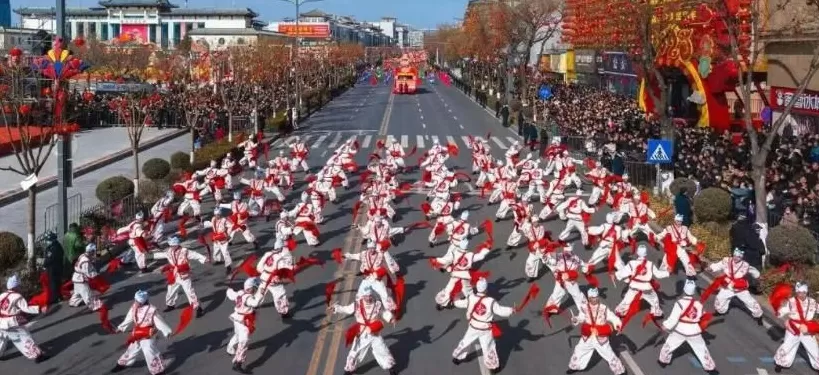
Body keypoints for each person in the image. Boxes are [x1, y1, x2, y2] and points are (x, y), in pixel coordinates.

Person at [329, 279, 398, 375]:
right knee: (354, 353)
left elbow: (383, 312)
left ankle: (391, 369)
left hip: (374, 333)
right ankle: (349, 371)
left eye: (370, 296)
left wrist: (390, 318)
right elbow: (347, 309)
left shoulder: (377, 304)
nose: (369, 298)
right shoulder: (357, 304)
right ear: (362, 296)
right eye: (366, 296)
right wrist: (337, 308)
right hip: (362, 333)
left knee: (383, 350)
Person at [451, 277, 515, 373]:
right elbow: (501, 311)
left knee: (466, 341)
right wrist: (511, 310)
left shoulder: (471, 297)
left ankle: (457, 357)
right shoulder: (490, 301)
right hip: (486, 329)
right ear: (486, 289)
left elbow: (461, 303)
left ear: (477, 287)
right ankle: (493, 366)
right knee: (488, 347)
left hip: (473, 326)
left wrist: (455, 299)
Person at [658, 280, 717, 374]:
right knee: (701, 348)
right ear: (693, 292)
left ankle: (663, 361)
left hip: (680, 330)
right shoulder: (699, 304)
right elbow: (702, 316)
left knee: (669, 345)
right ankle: (710, 368)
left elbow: (673, 319)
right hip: (694, 331)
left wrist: (665, 326)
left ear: (684, 290)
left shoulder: (680, 303)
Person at [111, 290, 173, 375]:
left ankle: (159, 371)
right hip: (137, 332)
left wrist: (167, 332)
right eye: (135, 300)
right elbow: (129, 318)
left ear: (142, 302)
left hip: (148, 334)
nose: (135, 302)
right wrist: (121, 327)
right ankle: (122, 364)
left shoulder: (152, 310)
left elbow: (159, 321)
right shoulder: (134, 307)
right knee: (132, 349)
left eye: (137, 301)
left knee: (149, 352)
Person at [567, 288, 625, 375]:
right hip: (588, 335)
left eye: (597, 297)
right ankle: (576, 366)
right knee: (579, 350)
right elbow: (581, 318)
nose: (596, 299)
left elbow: (612, 317)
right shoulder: (584, 307)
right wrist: (576, 319)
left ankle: (620, 371)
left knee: (609, 354)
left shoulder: (604, 308)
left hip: (600, 336)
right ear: (589, 298)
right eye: (593, 297)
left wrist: (617, 324)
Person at [0, 274, 48, 362]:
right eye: (19, 286)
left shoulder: (2, 295)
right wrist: (39, 308)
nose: (20, 288)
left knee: (7, 338)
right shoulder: (17, 296)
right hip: (11, 321)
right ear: (16, 286)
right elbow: (26, 308)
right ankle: (37, 355)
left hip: (1, 321)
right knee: (25, 337)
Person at [227, 277, 264, 373]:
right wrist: (261, 293)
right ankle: (238, 362)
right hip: (243, 320)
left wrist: (229, 289)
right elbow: (256, 303)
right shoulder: (247, 297)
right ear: (250, 288)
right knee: (244, 340)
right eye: (254, 288)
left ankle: (230, 347)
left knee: (238, 335)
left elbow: (230, 294)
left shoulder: (240, 293)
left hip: (237, 319)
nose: (255, 289)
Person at [43, 231, 64, 304]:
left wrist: (44, 265)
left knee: (53, 283)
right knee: (57, 282)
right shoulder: (58, 245)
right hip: (58, 267)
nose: (47, 242)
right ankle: (59, 296)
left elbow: (49, 259)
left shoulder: (52, 248)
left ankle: (54, 298)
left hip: (53, 269)